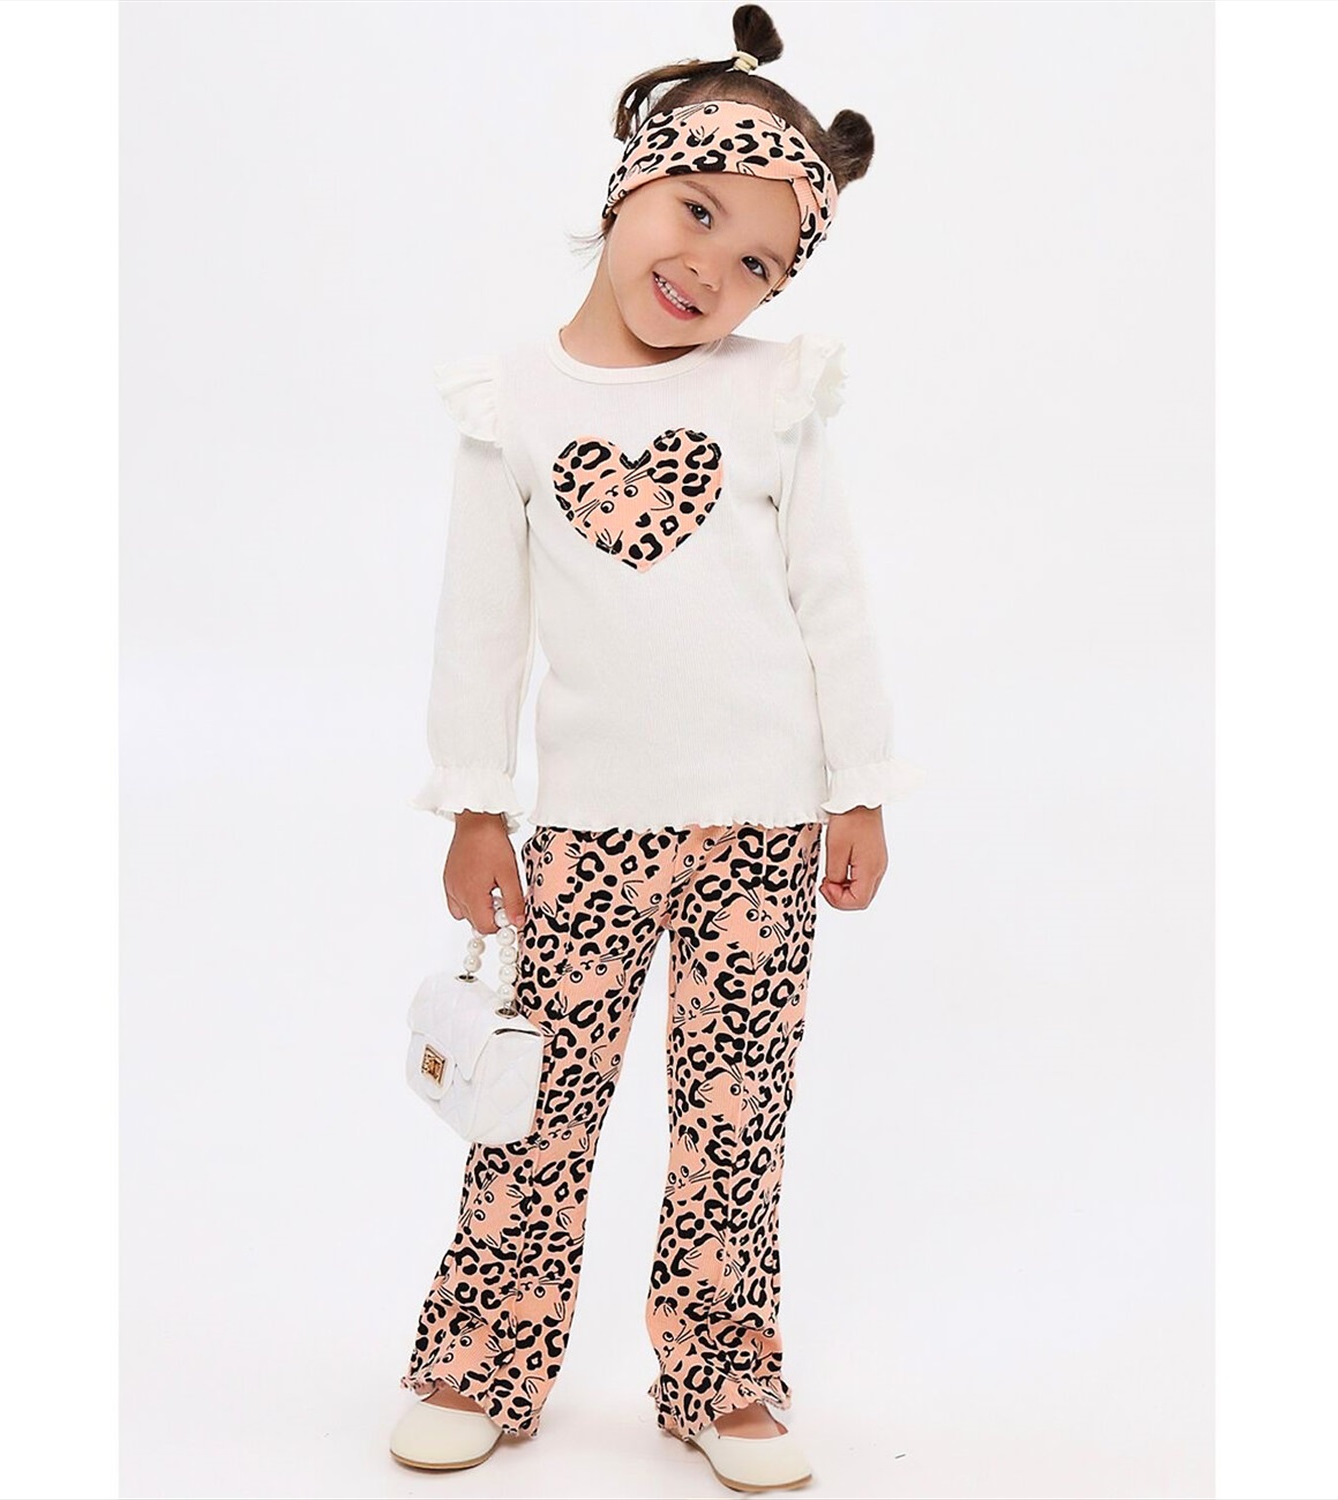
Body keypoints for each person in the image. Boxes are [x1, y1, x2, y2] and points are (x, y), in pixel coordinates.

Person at [390, 5, 922, 1490]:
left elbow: (833, 602)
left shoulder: (773, 395)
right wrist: (475, 807)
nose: (713, 273)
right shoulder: (513, 403)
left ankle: (723, 1375)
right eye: (697, 214)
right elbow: (480, 627)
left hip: (764, 832)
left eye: (758, 263)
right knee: (536, 1115)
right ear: (632, 180)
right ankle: (483, 1360)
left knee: (733, 1125)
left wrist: (860, 790)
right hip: (584, 836)